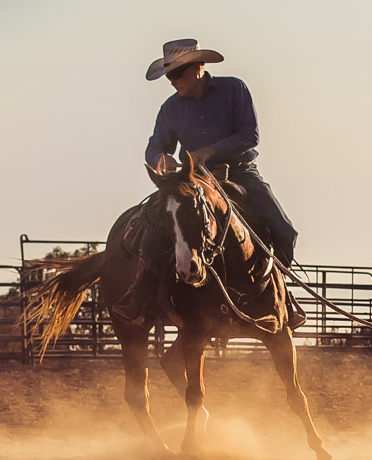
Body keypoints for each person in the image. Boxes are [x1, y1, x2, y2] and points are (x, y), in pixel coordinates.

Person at [114, 38, 300, 325]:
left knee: (282, 228)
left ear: (198, 67)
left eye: (176, 73)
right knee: (151, 232)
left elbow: (250, 135)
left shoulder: (234, 89)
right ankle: (139, 297)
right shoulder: (170, 109)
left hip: (239, 172)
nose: (172, 81)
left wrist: (210, 151)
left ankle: (280, 294)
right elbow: (154, 148)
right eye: (169, 75)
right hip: (192, 180)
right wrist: (162, 159)